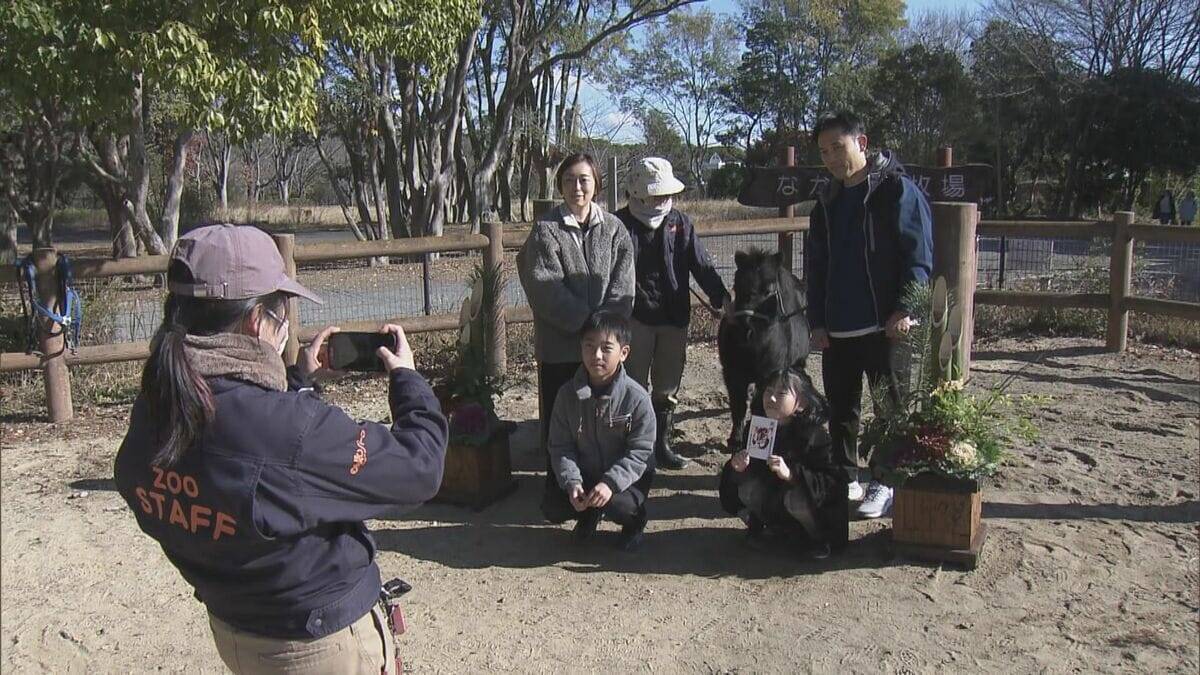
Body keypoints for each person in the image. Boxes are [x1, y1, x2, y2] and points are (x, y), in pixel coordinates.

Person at [113, 224, 448, 675]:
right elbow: (419, 467)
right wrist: (408, 380)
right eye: (281, 314)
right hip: (318, 643)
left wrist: (295, 383)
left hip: (237, 627)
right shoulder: (294, 431)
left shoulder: (159, 404)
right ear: (256, 322)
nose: (284, 326)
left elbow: (225, 461)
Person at [805, 111, 933, 520]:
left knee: (889, 407)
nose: (830, 158)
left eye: (836, 147)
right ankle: (846, 478)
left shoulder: (896, 191)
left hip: (886, 324)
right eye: (823, 151)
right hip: (838, 328)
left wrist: (906, 308)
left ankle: (885, 480)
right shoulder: (825, 203)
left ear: (861, 142)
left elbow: (918, 256)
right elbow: (817, 266)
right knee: (842, 408)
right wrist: (816, 321)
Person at [517, 153, 635, 485]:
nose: (577, 187)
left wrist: (603, 332)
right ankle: (560, 488)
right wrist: (587, 324)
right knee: (562, 420)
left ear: (596, 183)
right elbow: (545, 288)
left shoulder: (614, 229)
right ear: (560, 186)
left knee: (603, 419)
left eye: (583, 179)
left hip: (604, 350)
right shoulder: (545, 230)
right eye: (569, 180)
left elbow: (623, 285)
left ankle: (603, 484)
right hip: (561, 348)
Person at [614, 157, 730, 470]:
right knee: (633, 385)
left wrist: (722, 297)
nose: (664, 199)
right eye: (657, 193)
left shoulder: (680, 223)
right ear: (638, 192)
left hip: (674, 317)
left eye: (667, 193)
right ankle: (636, 448)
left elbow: (702, 265)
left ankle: (661, 443)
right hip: (633, 318)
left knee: (667, 387)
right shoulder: (618, 225)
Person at [542, 311, 655, 551]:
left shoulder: (637, 399)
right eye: (589, 346)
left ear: (623, 353)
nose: (596, 356)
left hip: (626, 481)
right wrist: (572, 481)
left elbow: (640, 451)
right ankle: (588, 515)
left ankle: (635, 521)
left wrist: (611, 483)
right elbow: (560, 446)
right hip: (586, 473)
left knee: (618, 505)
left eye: (606, 348)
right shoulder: (566, 396)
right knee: (553, 505)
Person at [718, 369, 847, 558]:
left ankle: (819, 541)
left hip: (815, 513)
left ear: (801, 402)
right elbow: (749, 475)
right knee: (747, 488)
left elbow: (834, 485)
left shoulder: (815, 436)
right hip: (776, 502)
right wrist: (737, 469)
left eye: (781, 394)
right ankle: (772, 529)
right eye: (768, 391)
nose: (771, 399)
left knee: (795, 500)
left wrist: (792, 475)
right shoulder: (757, 428)